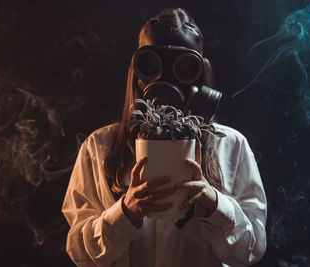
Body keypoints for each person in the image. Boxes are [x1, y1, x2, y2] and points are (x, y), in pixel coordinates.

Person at [62, 8, 267, 267]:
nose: (165, 79)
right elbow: (81, 254)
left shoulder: (231, 146)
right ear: (136, 73)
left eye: (184, 68)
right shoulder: (99, 147)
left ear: (201, 74)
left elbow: (250, 251)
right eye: (151, 66)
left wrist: (216, 206)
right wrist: (124, 213)